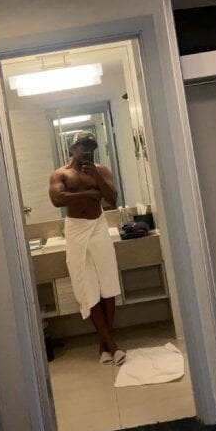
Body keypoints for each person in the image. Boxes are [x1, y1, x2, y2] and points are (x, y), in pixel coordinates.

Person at [49, 130, 126, 365]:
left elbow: (112, 198)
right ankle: (111, 345)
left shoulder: (100, 170)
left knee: (108, 282)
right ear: (73, 148)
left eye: (91, 146)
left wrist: (97, 178)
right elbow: (57, 199)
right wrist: (86, 193)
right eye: (83, 145)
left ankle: (105, 345)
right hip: (76, 229)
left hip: (98, 226)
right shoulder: (61, 174)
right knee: (87, 285)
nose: (88, 150)